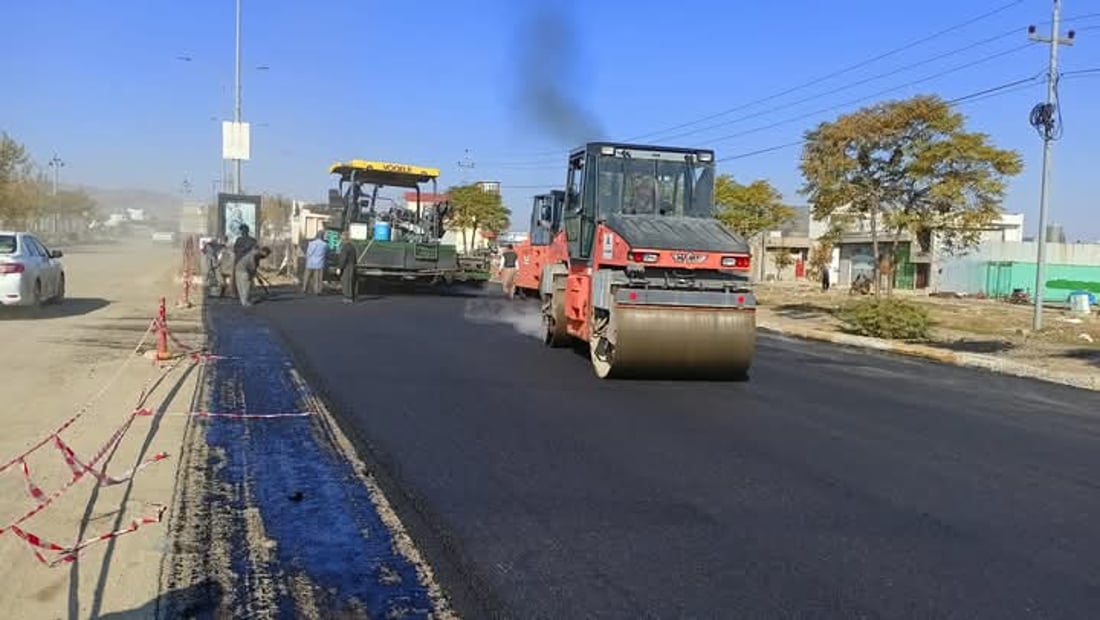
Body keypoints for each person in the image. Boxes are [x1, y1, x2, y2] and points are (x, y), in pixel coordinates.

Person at [302, 229, 328, 295]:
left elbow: (309, 253)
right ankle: (317, 290)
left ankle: (305, 288)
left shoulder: (312, 243)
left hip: (310, 262)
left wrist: (307, 257)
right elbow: (326, 253)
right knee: (318, 278)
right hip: (320, 263)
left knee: (307, 276)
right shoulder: (324, 244)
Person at [336, 231, 358, 304]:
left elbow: (343, 258)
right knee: (351, 281)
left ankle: (348, 297)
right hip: (352, 265)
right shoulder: (352, 246)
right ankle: (353, 296)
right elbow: (355, 257)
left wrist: (339, 267)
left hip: (347, 266)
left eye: (342, 237)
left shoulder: (345, 247)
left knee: (346, 281)